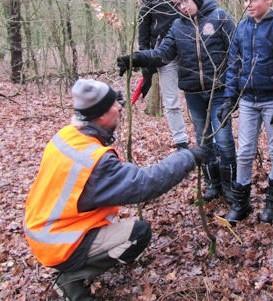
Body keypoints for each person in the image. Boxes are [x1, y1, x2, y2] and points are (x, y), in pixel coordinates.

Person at [24, 79, 206, 300]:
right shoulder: (95, 163)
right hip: (58, 244)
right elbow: (145, 183)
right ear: (100, 115)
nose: (120, 107)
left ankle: (80, 260)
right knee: (139, 234)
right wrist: (189, 156)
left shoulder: (67, 136)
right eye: (113, 105)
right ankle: (71, 278)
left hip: (44, 231)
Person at [118, 0, 236, 204]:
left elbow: (235, 53)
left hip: (219, 91)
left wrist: (233, 89)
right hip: (193, 93)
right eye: (177, 3)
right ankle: (213, 184)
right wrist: (135, 58)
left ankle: (231, 188)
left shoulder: (219, 17)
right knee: (204, 140)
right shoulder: (177, 26)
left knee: (223, 140)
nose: (182, 6)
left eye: (185, 0)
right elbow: (163, 53)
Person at [218, 0, 273, 224]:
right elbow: (234, 65)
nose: (247, 5)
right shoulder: (242, 28)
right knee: (244, 151)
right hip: (248, 100)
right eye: (244, 0)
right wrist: (229, 99)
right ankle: (241, 201)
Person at [138, 0, 204, 150]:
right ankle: (181, 143)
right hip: (164, 50)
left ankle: (204, 139)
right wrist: (145, 54)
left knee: (198, 95)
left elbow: (204, 8)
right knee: (171, 101)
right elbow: (144, 19)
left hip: (192, 45)